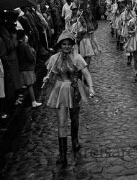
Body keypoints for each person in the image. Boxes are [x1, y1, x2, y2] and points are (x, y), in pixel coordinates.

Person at [43, 30, 95, 167]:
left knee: (75, 118)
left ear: (72, 45)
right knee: (61, 122)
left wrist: (91, 87)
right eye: (64, 44)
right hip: (59, 90)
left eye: (69, 44)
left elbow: (86, 73)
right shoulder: (54, 59)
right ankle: (63, 155)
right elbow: (51, 77)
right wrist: (47, 79)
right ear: (60, 45)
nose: (66, 46)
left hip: (74, 90)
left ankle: (75, 140)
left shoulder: (77, 58)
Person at [16, 30, 42, 108]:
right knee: (30, 85)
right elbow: (30, 57)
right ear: (24, 36)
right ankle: (33, 101)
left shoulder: (17, 45)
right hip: (27, 68)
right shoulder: (25, 46)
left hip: (20, 68)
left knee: (21, 85)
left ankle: (18, 99)